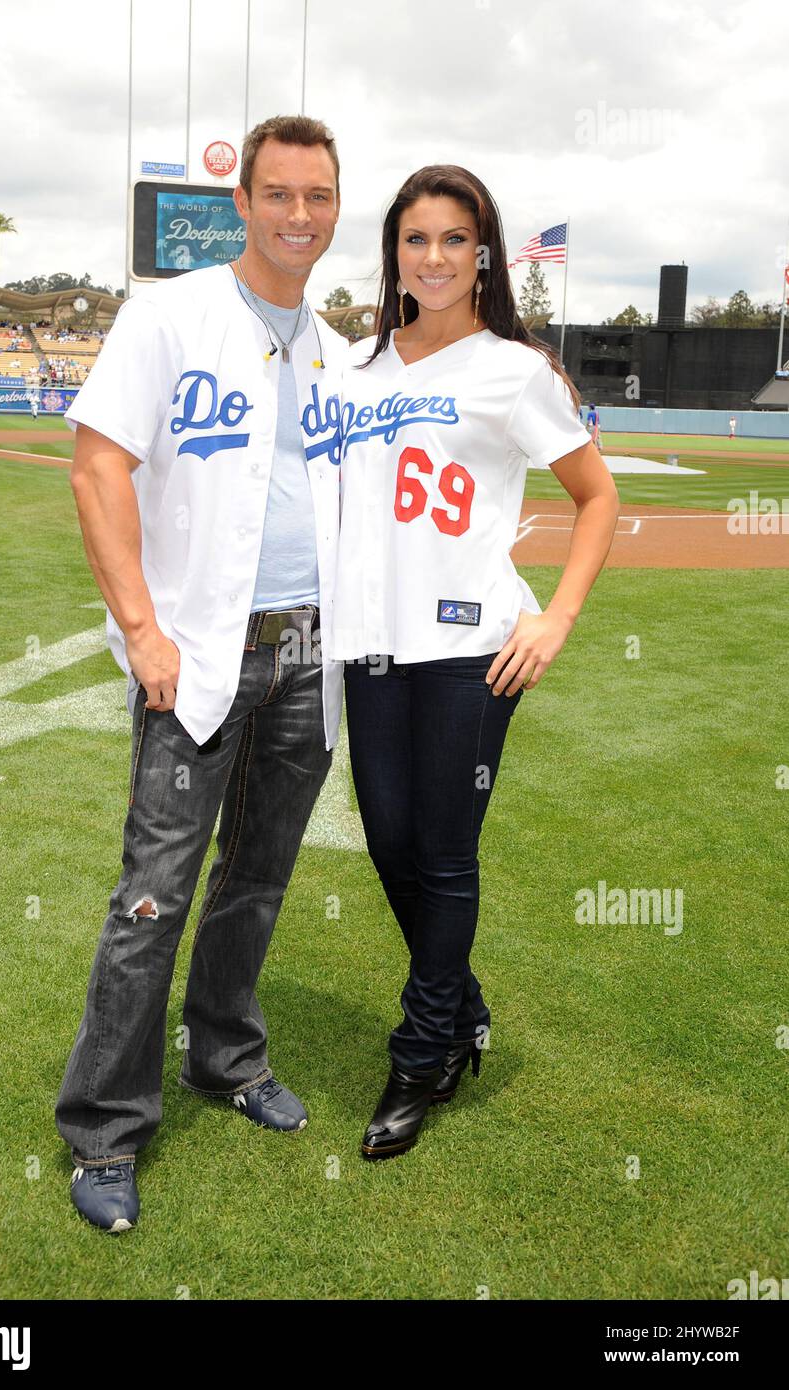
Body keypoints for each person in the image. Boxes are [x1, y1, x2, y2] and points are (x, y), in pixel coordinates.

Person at [54, 114, 346, 1233]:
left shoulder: (328, 344)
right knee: (152, 896)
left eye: (317, 197)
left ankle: (224, 1055)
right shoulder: (169, 313)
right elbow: (97, 471)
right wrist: (143, 627)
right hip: (198, 658)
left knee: (258, 880)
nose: (298, 215)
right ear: (243, 203)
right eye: (278, 194)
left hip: (306, 654)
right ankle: (104, 1129)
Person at [331, 165, 620, 1160]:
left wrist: (558, 619)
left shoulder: (515, 370)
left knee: (444, 854)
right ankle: (461, 1004)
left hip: (470, 647)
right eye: (416, 238)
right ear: (394, 253)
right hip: (372, 642)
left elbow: (598, 497)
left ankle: (423, 1056)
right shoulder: (361, 369)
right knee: (388, 844)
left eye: (454, 239)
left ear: (482, 255)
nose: (434, 257)